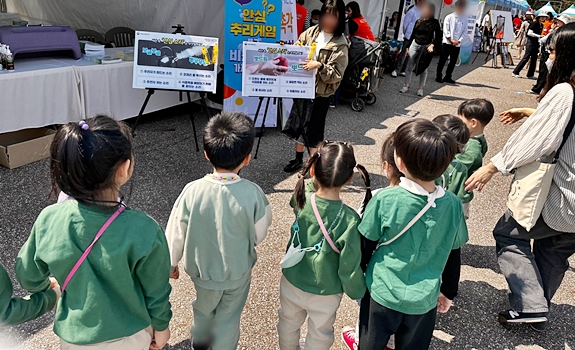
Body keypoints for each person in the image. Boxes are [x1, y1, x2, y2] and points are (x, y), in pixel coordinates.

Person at [465, 22, 575, 329]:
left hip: (567, 198)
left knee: (508, 234)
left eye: (553, 50)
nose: (549, 56)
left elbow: (536, 140)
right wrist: (531, 112)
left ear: (570, 54)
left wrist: (492, 166)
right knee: (555, 252)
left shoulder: (568, 91)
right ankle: (538, 306)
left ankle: (530, 305)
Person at [16, 116, 172, 350]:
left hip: (73, 335)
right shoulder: (145, 229)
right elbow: (156, 290)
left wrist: (47, 284)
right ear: (124, 168)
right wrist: (161, 326)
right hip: (130, 335)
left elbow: (28, 275)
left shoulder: (49, 219)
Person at [358, 119, 468, 350]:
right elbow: (453, 252)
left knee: (371, 344)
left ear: (399, 161)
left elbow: (365, 245)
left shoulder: (385, 199)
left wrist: (358, 277)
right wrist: (448, 291)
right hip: (423, 299)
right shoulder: (453, 205)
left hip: (382, 291)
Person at [166, 112, 271, 350]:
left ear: (206, 154)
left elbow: (175, 232)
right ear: (247, 158)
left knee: (203, 309)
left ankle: (200, 342)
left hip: (203, 273)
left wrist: (170, 263)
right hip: (237, 271)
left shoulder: (192, 191)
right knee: (229, 317)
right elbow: (259, 234)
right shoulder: (254, 193)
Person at [278, 142, 370, 350]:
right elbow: (349, 265)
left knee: (287, 323)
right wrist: (358, 291)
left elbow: (309, 184)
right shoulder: (350, 220)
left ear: (312, 169)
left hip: (292, 279)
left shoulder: (300, 197)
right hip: (326, 290)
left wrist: (314, 172)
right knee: (320, 332)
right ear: (349, 178)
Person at [341, 134, 402, 350]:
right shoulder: (438, 200)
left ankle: (360, 340)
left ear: (387, 166)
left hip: (378, 278)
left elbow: (363, 235)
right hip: (413, 284)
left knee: (369, 318)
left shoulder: (377, 196)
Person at [282, 0, 349, 173]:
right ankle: (298, 159)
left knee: (314, 132)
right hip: (303, 88)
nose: (329, 20)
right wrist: (295, 49)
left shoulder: (341, 44)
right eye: (326, 15)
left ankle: (313, 165)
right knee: (299, 126)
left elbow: (337, 75)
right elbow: (299, 48)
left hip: (320, 95)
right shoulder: (311, 32)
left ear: (340, 19)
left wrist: (319, 66)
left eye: (334, 17)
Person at [433, 115, 471, 313]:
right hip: (452, 218)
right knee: (450, 255)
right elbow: (463, 195)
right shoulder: (460, 168)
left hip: (432, 218)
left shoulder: (430, 166)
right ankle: (446, 291)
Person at [400, 2, 442, 97]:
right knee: (409, 66)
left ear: (431, 11)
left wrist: (433, 45)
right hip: (415, 44)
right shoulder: (419, 21)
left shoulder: (434, 22)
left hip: (426, 46)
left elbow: (439, 36)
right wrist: (407, 47)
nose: (425, 11)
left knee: (423, 68)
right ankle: (406, 85)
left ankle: (420, 88)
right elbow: (412, 34)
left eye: (427, 9)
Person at [527, 14, 570, 95]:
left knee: (544, 72)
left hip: (551, 53)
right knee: (546, 72)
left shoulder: (559, 31)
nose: (557, 22)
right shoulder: (559, 30)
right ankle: (542, 87)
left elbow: (544, 39)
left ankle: (538, 88)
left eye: (559, 21)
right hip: (550, 52)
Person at [392, 0, 427, 78]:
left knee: (411, 53)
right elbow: (405, 24)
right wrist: (407, 33)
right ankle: (396, 70)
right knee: (404, 53)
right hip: (409, 35)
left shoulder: (422, 11)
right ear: (418, 1)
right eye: (422, 1)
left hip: (417, 36)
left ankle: (404, 69)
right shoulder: (411, 11)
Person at [437, 0, 468, 84]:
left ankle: (448, 76)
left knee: (453, 61)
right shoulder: (449, 17)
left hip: (457, 44)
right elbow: (446, 30)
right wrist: (451, 40)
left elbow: (465, 31)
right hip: (447, 43)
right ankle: (438, 75)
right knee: (442, 60)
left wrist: (459, 41)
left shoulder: (464, 19)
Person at [513, 11, 545, 79]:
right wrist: (539, 36)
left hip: (536, 42)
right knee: (526, 57)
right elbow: (529, 33)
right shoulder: (534, 24)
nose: (543, 18)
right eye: (542, 17)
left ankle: (530, 74)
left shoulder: (541, 25)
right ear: (538, 17)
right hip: (530, 42)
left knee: (534, 59)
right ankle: (515, 72)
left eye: (544, 17)